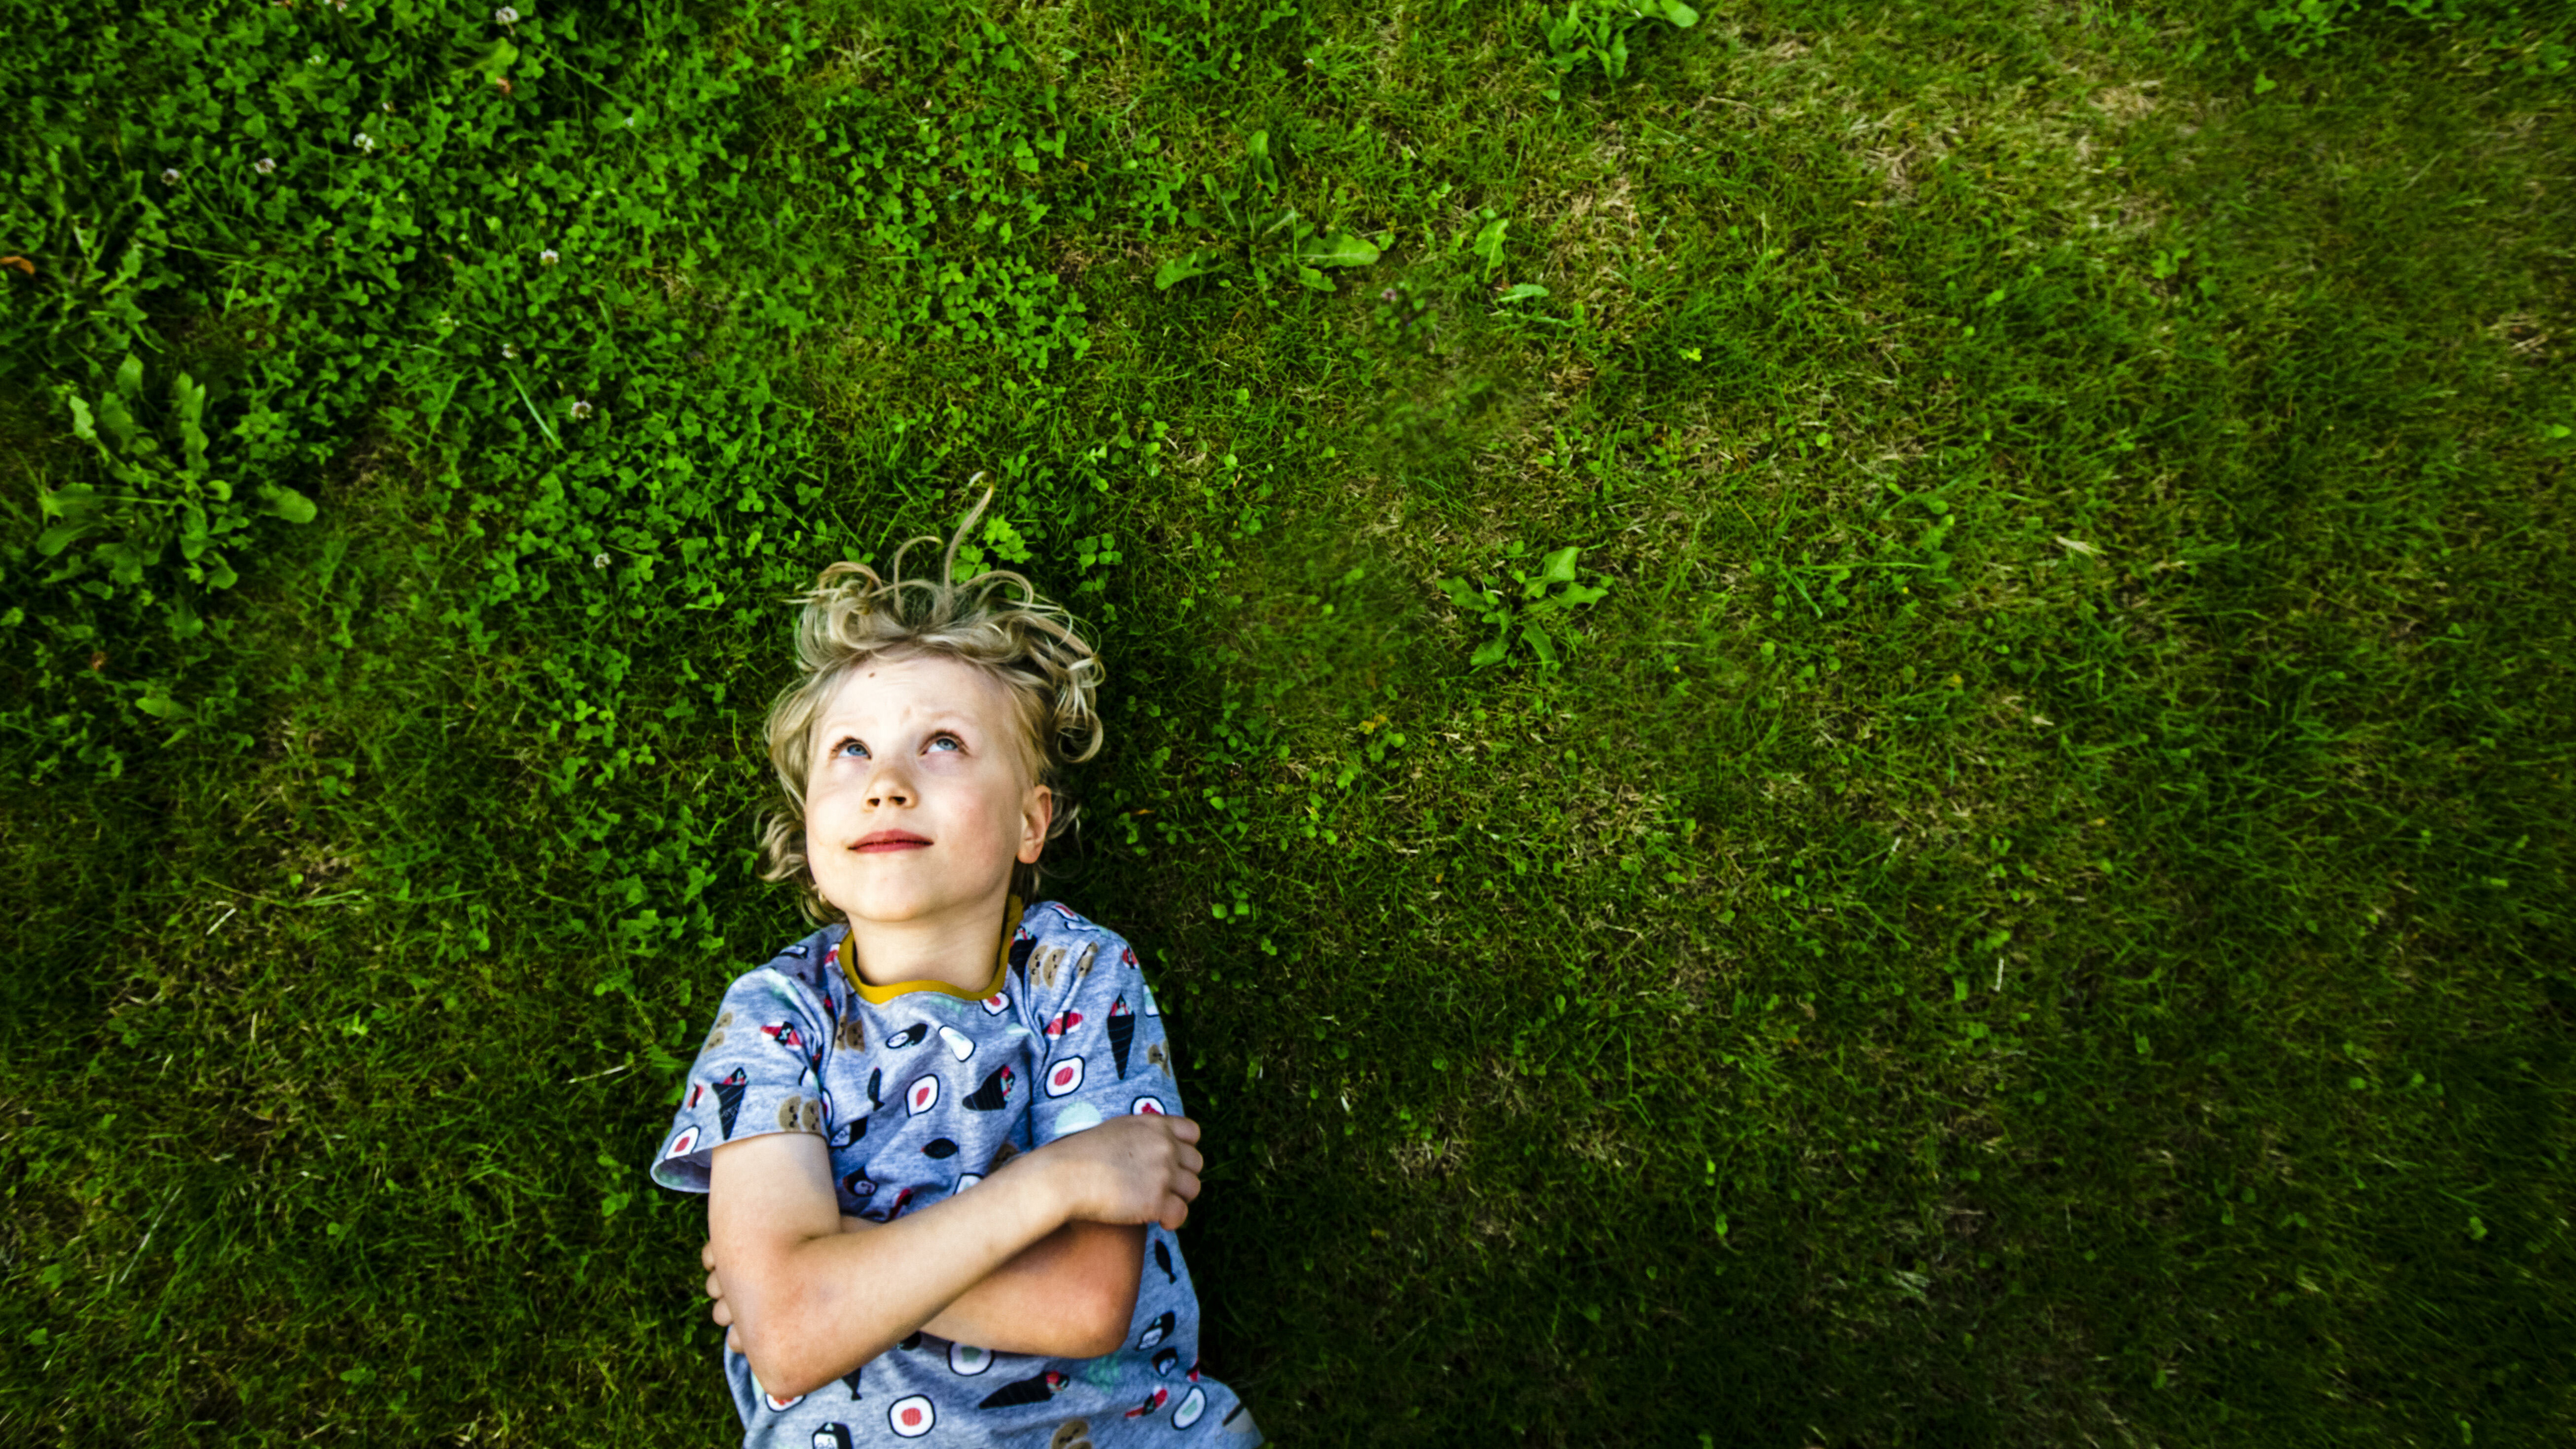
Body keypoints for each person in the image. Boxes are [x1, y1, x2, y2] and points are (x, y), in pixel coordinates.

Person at [646, 486, 1263, 1446]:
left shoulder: (1077, 976)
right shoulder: (771, 1018)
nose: (887, 780)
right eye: (849, 751)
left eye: (943, 743)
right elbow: (791, 1337)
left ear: (1030, 822)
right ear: (809, 819)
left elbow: (1086, 1308)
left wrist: (832, 1265)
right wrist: (1053, 1185)